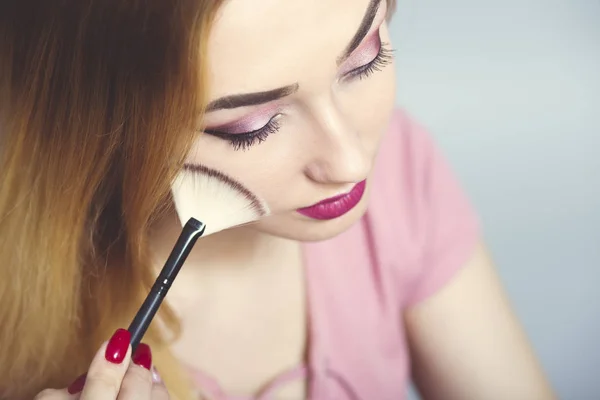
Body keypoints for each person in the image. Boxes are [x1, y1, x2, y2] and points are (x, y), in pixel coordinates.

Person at [0, 0, 556, 399]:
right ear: (90, 125)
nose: (350, 164)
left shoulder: (400, 177)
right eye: (250, 126)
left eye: (364, 57)